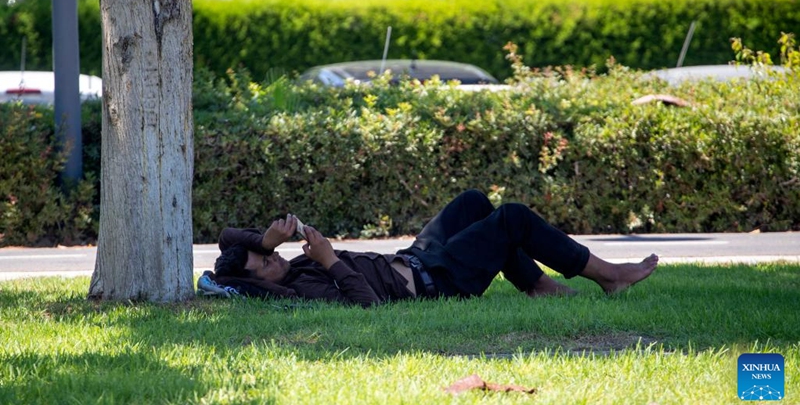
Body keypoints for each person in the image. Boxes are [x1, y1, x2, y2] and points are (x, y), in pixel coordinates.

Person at [199, 189, 658, 307]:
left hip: (417, 257)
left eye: (271, 253)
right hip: (435, 281)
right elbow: (368, 305)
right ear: (253, 280)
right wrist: (330, 259)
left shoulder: (286, 261)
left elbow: (225, 239)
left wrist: (265, 239)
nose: (276, 257)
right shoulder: (301, 289)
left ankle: (537, 286)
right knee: (511, 217)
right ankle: (609, 276)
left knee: (475, 202)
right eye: (266, 262)